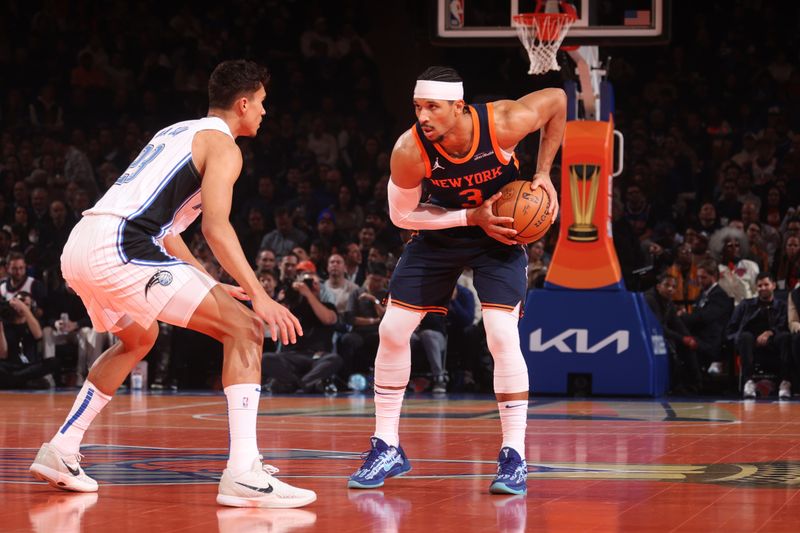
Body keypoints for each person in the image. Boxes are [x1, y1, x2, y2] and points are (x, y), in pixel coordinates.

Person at [28, 60, 314, 508]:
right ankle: (244, 472)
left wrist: (212, 284)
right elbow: (216, 228)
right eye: (261, 103)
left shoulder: (175, 131)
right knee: (245, 329)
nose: (264, 112)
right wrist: (259, 295)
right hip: (121, 245)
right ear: (243, 103)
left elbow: (170, 233)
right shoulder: (224, 147)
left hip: (83, 243)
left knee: (137, 339)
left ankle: (61, 450)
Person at [347, 66, 565, 495]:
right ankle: (387, 446)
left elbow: (557, 98)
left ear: (459, 107)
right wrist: (469, 217)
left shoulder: (502, 123)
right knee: (391, 330)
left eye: (432, 107)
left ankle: (514, 455)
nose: (423, 116)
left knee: (501, 335)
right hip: (442, 228)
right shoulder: (410, 150)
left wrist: (543, 173)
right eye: (417, 107)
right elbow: (401, 216)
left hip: (499, 232)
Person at [727, 272, 791, 399]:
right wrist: (740, 338)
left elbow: (784, 326)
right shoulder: (745, 305)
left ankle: (785, 382)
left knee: (785, 337)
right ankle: (748, 382)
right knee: (745, 337)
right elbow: (731, 329)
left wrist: (769, 332)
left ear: (773, 285)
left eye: (766, 284)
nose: (762, 288)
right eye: (759, 285)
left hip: (774, 341)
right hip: (750, 342)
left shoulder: (782, 306)